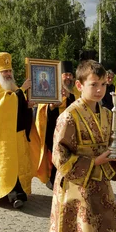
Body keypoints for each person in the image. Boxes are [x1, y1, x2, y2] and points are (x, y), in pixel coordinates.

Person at [44, 60, 116, 232]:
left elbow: (110, 145)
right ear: (79, 86)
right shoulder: (69, 117)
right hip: (76, 193)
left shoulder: (107, 115)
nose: (100, 89)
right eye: (93, 84)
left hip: (101, 191)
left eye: (103, 84)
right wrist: (95, 161)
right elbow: (59, 157)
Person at [0, 52, 34, 209]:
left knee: (17, 165)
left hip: (17, 133)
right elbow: (3, 104)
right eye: (5, 71)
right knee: (6, 164)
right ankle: (13, 195)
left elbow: (17, 102)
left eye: (9, 71)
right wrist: (22, 91)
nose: (8, 74)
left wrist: (27, 105)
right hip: (3, 137)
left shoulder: (12, 86)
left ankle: (18, 193)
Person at [31, 61, 81, 190]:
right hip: (53, 129)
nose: (68, 78)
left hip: (71, 131)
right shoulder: (51, 89)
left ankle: (66, 179)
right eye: (66, 75)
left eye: (70, 75)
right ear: (60, 76)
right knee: (55, 155)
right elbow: (43, 109)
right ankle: (53, 180)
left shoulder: (75, 92)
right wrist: (52, 106)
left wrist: (69, 97)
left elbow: (80, 107)